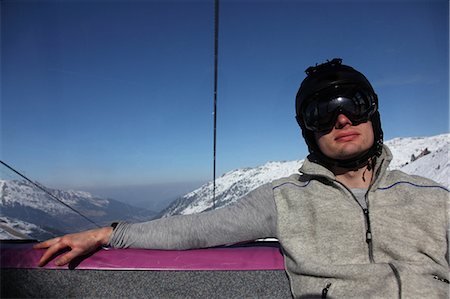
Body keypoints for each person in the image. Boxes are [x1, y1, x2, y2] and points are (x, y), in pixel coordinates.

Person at [35, 58, 449, 298]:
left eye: (354, 104)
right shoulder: (285, 198)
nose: (342, 118)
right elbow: (195, 229)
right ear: (309, 131)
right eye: (322, 112)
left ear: (374, 115)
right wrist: (109, 234)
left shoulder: (432, 197)